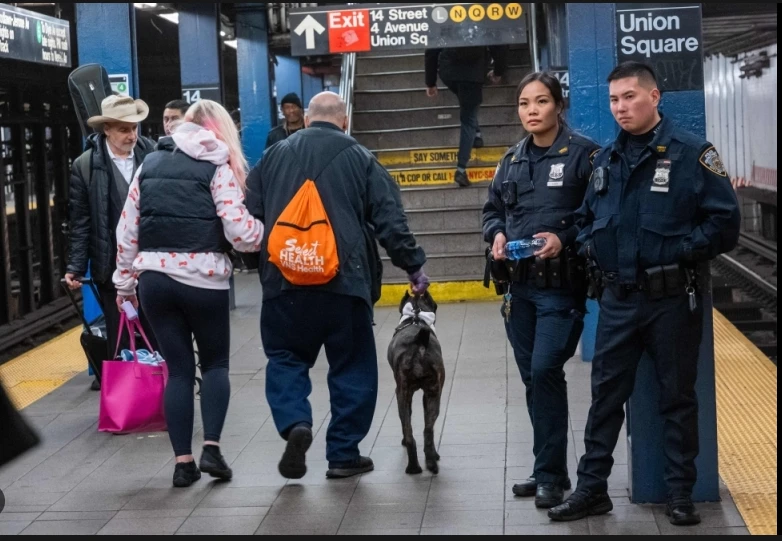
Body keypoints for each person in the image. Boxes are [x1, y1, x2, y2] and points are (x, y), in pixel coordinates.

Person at [548, 62, 740, 525]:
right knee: (605, 398)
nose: (620, 107)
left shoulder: (693, 154)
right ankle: (592, 489)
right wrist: (561, 238)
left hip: (671, 299)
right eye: (614, 99)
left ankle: (680, 494)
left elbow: (724, 223)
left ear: (654, 96)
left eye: (630, 97)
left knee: (677, 397)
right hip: (617, 301)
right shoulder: (606, 161)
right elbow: (586, 218)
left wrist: (679, 251)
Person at [246, 91, 429, 481]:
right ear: (344, 121)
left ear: (308, 120)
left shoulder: (273, 156)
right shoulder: (361, 157)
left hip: (285, 283)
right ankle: (343, 454)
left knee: (285, 357)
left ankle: (296, 422)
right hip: (344, 283)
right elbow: (390, 222)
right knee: (352, 366)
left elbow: (248, 215)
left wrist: (258, 264)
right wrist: (412, 266)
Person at [113, 100, 263, 488]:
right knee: (214, 366)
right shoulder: (216, 165)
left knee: (178, 371)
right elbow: (238, 231)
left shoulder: (149, 165)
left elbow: (127, 232)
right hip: (204, 280)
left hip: (155, 283)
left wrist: (124, 284)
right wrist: (265, 234)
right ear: (217, 129)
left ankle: (183, 464)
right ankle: (211, 447)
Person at [483, 72, 600, 509]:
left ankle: (551, 474)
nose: (532, 111)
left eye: (542, 102)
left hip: (560, 290)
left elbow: (599, 217)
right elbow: (492, 211)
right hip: (520, 290)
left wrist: (564, 239)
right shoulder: (510, 159)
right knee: (534, 377)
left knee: (547, 369)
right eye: (524, 103)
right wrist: (495, 235)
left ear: (559, 105)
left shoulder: (585, 156)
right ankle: (547, 467)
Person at [65, 95, 158, 389]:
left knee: (156, 334)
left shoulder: (153, 155)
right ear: (106, 128)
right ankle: (128, 400)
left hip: (153, 264)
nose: (131, 135)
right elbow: (81, 221)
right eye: (123, 129)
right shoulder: (85, 166)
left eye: (134, 128)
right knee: (121, 336)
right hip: (111, 268)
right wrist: (75, 266)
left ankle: (161, 396)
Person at [425, 45, 508, 187]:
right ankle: (461, 170)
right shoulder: (482, 22)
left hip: (449, 72)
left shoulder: (448, 23)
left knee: (467, 104)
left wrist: (431, 81)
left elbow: (431, 50)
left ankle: (477, 134)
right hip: (472, 74)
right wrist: (498, 71)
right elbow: (498, 44)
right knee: (468, 118)